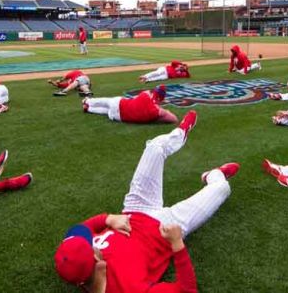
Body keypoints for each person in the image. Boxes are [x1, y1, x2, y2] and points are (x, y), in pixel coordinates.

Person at [54, 111, 240, 290]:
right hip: (166, 228)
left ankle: (180, 132)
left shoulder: (73, 260)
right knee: (222, 189)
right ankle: (214, 175)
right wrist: (177, 244)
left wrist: (108, 218)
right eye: (88, 244)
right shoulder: (128, 287)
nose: (88, 240)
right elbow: (186, 290)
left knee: (154, 147)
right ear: (96, 261)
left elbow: (82, 228)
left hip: (135, 208)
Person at [83, 85, 178, 124]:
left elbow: (138, 99)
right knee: (107, 111)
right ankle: (89, 109)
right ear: (161, 99)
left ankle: (87, 101)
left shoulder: (146, 94)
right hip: (119, 117)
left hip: (119, 104)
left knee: (107, 101)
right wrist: (166, 112)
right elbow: (174, 119)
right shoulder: (157, 111)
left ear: (154, 91)